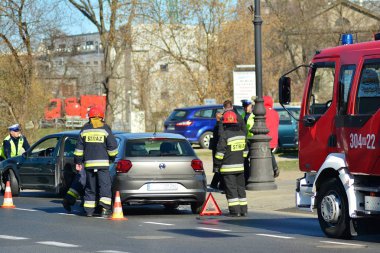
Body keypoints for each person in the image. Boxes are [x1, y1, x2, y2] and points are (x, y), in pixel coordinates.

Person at [74, 106, 118, 218]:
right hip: (103, 165)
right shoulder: (105, 129)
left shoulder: (84, 130)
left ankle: (89, 211)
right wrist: (112, 158)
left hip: (89, 165)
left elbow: (79, 149)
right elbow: (112, 147)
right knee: (104, 186)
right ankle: (104, 209)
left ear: (90, 118)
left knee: (90, 187)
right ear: (101, 117)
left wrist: (78, 162)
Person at [215, 111, 248, 217]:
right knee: (241, 189)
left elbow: (220, 153)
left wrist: (217, 165)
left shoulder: (225, 135)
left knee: (231, 190)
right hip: (240, 167)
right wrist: (240, 159)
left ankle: (235, 211)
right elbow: (246, 151)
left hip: (227, 168)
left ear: (225, 123)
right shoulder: (242, 134)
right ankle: (243, 210)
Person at [263, 96, 280, 178]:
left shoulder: (263, 112)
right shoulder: (275, 113)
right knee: (269, 153)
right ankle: (273, 168)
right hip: (274, 137)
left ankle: (274, 168)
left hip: (265, 137)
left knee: (266, 154)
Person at [209, 112, 224, 191]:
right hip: (218, 149)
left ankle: (214, 184)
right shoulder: (219, 126)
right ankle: (217, 184)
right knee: (220, 167)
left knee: (218, 168)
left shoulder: (216, 126)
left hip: (215, 148)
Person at [241, 99, 255, 184]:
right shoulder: (242, 115)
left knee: (253, 160)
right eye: (244, 107)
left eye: (247, 107)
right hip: (245, 141)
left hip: (252, 141)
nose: (245, 109)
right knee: (245, 160)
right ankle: (246, 179)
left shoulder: (254, 115)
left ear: (251, 106)